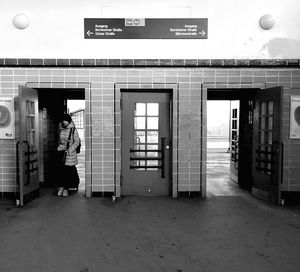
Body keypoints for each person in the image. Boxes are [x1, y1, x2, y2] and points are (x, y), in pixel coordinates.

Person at [57, 114, 80, 197]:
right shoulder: (62, 129)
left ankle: (66, 188)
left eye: (65, 120)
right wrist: (59, 148)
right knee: (60, 171)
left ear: (69, 120)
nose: (64, 122)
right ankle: (61, 187)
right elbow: (61, 141)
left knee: (67, 171)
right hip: (61, 152)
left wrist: (70, 150)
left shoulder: (73, 130)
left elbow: (77, 142)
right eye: (63, 120)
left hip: (69, 153)